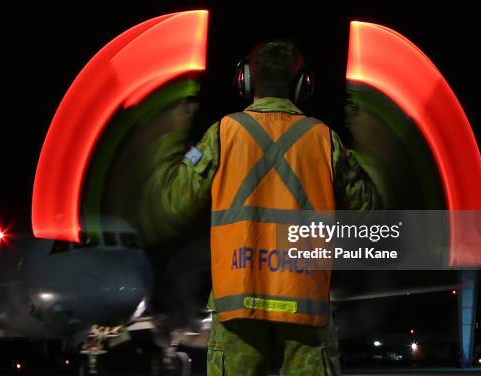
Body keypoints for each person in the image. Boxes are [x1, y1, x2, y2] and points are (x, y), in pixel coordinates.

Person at [151, 40, 379, 375]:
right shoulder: (324, 139)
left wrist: (173, 132)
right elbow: (370, 210)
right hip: (305, 306)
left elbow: (172, 201)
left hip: (239, 304)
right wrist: (367, 142)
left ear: (244, 80)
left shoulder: (222, 133)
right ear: (303, 85)